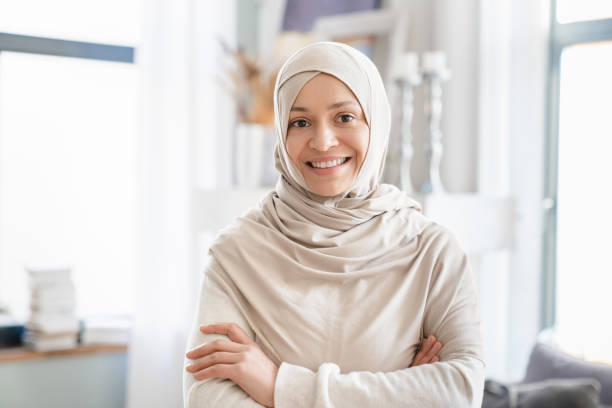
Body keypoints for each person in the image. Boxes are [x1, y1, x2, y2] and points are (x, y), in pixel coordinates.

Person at [183, 41, 485, 407]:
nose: (323, 141)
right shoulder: (235, 253)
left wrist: (280, 387)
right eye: (300, 122)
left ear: (375, 121)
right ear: (281, 133)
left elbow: (459, 392)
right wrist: (401, 389)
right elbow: (209, 399)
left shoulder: (432, 252)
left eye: (344, 117)